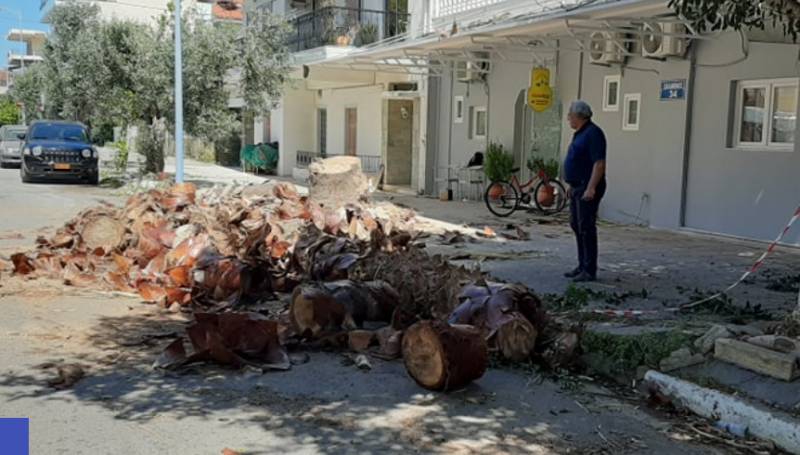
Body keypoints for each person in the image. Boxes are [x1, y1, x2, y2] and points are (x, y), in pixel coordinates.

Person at [563, 101, 607, 282]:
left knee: (586, 227)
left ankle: (589, 269)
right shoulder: (579, 134)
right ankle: (582, 265)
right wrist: (571, 185)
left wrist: (591, 187)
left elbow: (599, 163)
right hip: (577, 186)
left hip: (587, 186)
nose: (568, 119)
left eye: (570, 116)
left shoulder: (593, 134)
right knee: (576, 225)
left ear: (579, 116)